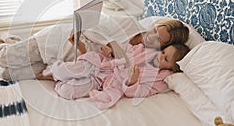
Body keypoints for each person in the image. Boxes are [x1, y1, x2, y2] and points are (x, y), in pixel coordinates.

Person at [0, 15, 189, 81]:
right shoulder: (128, 23)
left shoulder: (139, 56)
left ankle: (12, 40)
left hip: (68, 59)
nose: (151, 36)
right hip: (60, 39)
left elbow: (105, 67)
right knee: (4, 60)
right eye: (155, 30)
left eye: (159, 40)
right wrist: (103, 44)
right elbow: (93, 23)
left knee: (8, 74)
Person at [41, 40, 190, 109]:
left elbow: (142, 92)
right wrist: (111, 50)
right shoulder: (147, 52)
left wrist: (132, 82)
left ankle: (59, 80)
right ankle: (53, 72)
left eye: (166, 59)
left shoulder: (160, 80)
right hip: (101, 64)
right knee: (66, 69)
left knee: (68, 91)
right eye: (163, 52)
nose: (160, 56)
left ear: (173, 68)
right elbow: (126, 48)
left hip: (105, 82)